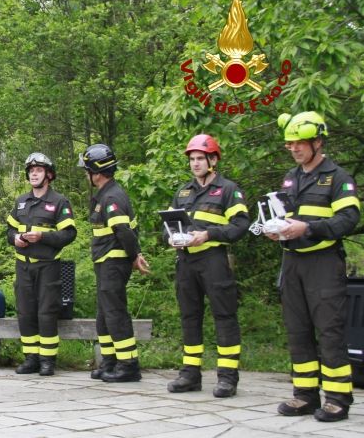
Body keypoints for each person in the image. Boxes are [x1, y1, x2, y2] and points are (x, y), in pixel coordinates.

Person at [266, 112, 359, 422]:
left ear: (318, 142)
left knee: (329, 331)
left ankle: (337, 398)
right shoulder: (291, 177)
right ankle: (304, 395)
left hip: (323, 263)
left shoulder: (339, 177)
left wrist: (307, 228)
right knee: (298, 329)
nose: (294, 149)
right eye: (290, 144)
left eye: (300, 144)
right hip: (292, 262)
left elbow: (348, 220)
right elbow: (285, 214)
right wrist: (274, 228)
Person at [164, 134, 250, 397]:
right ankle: (190, 374)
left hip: (214, 260)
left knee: (224, 316)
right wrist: (169, 237)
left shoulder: (227, 190)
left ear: (213, 160)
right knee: (190, 317)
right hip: (186, 261)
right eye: (192, 159)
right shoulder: (183, 191)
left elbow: (240, 225)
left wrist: (209, 234)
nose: (195, 164)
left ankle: (227, 377)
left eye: (200, 158)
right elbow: (166, 225)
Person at [78, 143, 150, 382]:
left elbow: (124, 231)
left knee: (115, 313)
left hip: (114, 262)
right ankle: (109, 362)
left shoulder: (112, 196)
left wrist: (133, 257)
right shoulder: (104, 194)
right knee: (104, 314)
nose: (86, 174)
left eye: (87, 170)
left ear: (96, 172)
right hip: (104, 261)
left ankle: (128, 364)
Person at [7, 153, 77, 376]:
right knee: (25, 312)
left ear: (49, 174)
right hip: (23, 266)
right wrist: (15, 239)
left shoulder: (59, 201)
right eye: (31, 170)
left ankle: (47, 360)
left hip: (48, 267)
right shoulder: (20, 202)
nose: (33, 173)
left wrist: (43, 238)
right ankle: (31, 358)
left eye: (38, 170)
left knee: (46, 313)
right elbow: (9, 231)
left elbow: (69, 234)